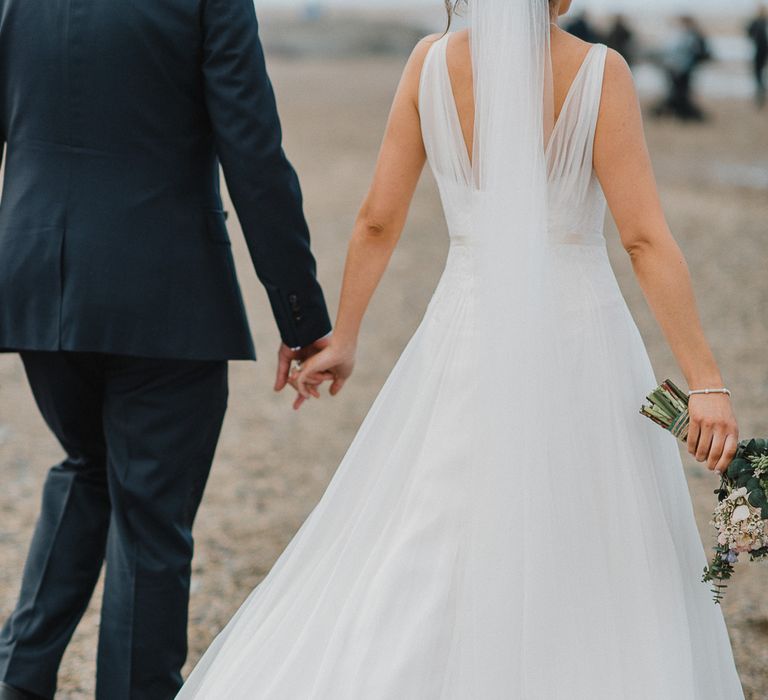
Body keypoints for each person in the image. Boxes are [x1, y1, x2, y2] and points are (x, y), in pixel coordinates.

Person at [176, 0, 744, 698]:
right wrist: (705, 381)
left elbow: (378, 220)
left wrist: (344, 336)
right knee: (598, 526)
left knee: (441, 515)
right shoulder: (600, 71)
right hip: (581, 331)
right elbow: (643, 238)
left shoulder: (429, 63)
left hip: (465, 325)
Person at [0, 0, 332, 698]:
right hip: (166, 296)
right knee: (150, 515)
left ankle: (17, 680)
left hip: (38, 281)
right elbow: (251, 146)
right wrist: (300, 316)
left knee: (88, 464)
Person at [653, 15, 713, 121]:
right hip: (680, 69)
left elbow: (682, 53)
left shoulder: (690, 36)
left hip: (681, 69)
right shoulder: (689, 35)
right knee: (679, 93)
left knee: (680, 93)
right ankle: (679, 113)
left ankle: (681, 113)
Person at [747, 5, 768, 108]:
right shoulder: (760, 22)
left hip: (760, 51)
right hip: (762, 50)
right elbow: (748, 32)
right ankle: (761, 88)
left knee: (758, 72)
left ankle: (760, 87)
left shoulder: (757, 22)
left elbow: (748, 32)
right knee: (758, 72)